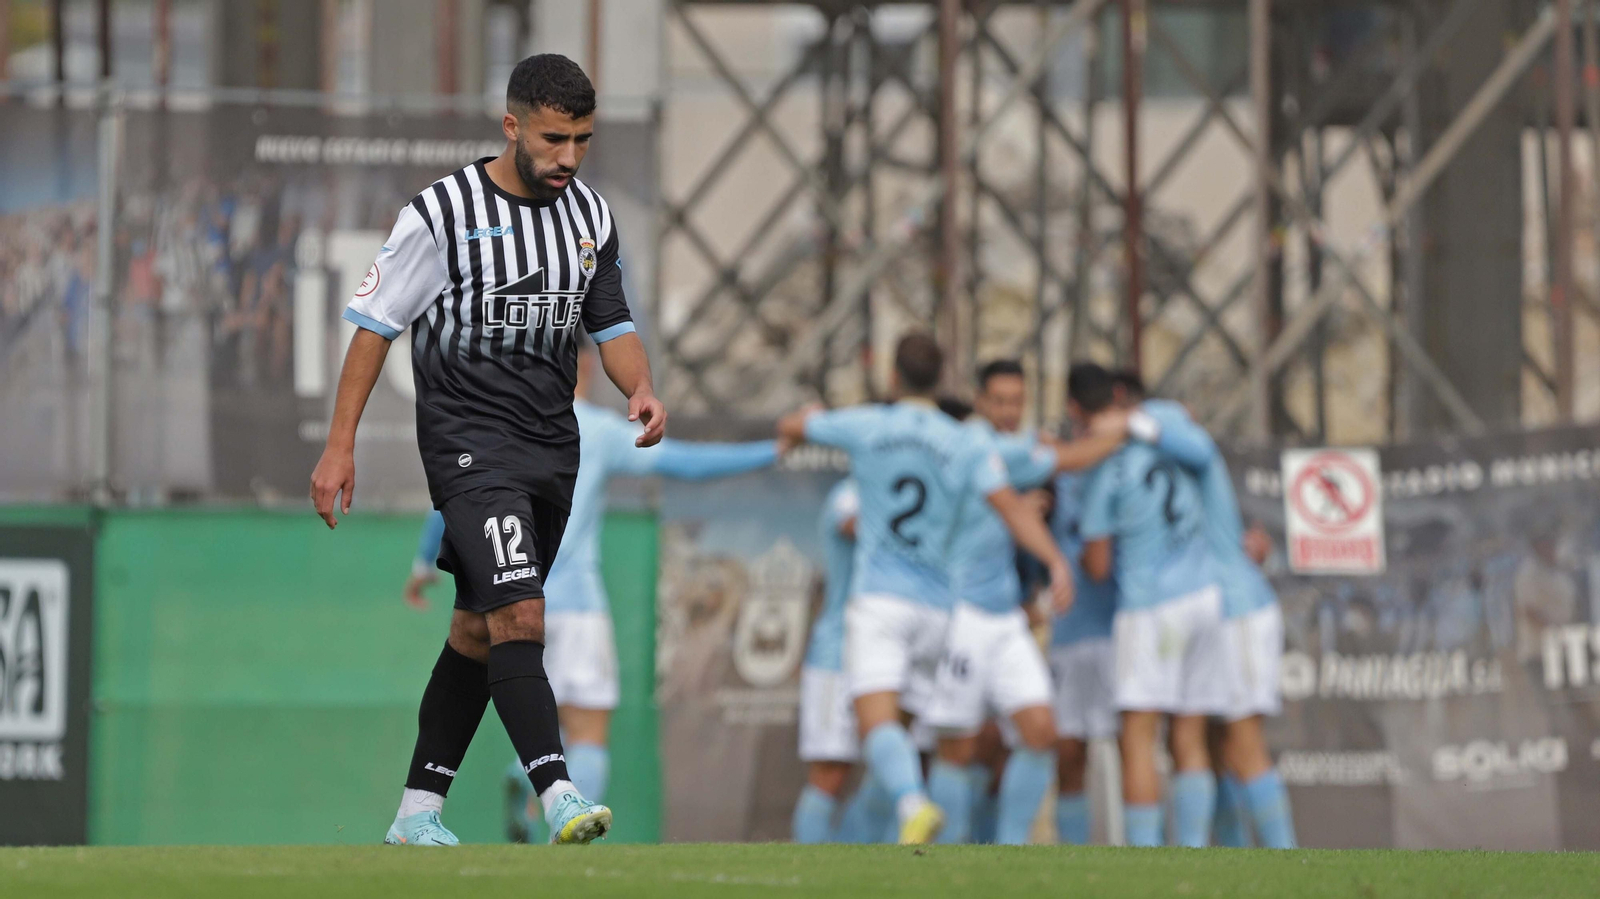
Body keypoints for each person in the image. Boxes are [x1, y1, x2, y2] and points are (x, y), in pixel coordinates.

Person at [310, 54, 663, 847]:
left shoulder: (590, 219)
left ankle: (415, 812)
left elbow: (611, 325)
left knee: (476, 627)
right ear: (511, 126)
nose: (568, 156)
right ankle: (558, 790)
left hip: (551, 449)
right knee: (520, 611)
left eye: (581, 139)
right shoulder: (442, 214)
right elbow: (374, 327)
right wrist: (341, 446)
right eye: (553, 138)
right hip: (470, 445)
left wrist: (639, 387)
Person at [407, 338, 783, 841]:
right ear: (584, 364)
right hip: (577, 605)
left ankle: (524, 775)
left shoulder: (498, 424)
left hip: (509, 601)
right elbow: (686, 463)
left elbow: (454, 495)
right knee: (589, 730)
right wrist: (772, 451)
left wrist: (422, 562)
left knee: (533, 708)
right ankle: (574, 840)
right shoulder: (597, 431)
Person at [776, 334, 1075, 844]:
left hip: (882, 602)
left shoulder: (869, 423)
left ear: (893, 377)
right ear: (941, 382)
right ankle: (900, 833)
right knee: (912, 738)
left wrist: (797, 427)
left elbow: (793, 426)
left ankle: (914, 807)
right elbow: (1008, 506)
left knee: (877, 726)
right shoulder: (964, 441)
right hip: (938, 611)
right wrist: (1053, 561)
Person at [923, 360, 1126, 844]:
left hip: (1004, 614)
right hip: (962, 611)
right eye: (1000, 400)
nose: (1010, 411)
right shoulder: (974, 444)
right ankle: (942, 863)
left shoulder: (1007, 453)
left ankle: (1008, 855)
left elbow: (1018, 506)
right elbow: (1070, 461)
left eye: (1017, 400)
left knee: (1041, 731)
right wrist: (1128, 430)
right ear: (980, 401)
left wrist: (1054, 562)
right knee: (960, 746)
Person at [1116, 371, 1297, 849]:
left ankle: (1290, 859)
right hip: (1218, 607)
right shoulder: (1180, 466)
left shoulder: (1181, 450)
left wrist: (1134, 425)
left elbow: (1195, 448)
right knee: (1206, 743)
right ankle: (1223, 858)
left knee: (1240, 743)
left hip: (1239, 608)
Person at [1069, 363, 1227, 848]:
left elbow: (1097, 564)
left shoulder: (1107, 468)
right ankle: (1195, 856)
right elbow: (1201, 446)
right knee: (1191, 735)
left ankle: (1146, 860)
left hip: (1150, 606)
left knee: (1139, 737)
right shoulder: (1167, 424)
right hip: (1203, 595)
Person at [1048, 463, 1120, 845]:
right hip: (1068, 632)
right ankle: (1072, 857)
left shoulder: (1123, 470)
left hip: (1121, 631)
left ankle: (1145, 851)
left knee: (1133, 743)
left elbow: (1098, 566)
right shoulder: (1055, 474)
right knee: (1069, 750)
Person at [792, 478, 866, 843]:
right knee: (831, 772)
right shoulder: (851, 492)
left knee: (894, 767)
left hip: (891, 651)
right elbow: (853, 525)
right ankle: (806, 871)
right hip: (837, 654)